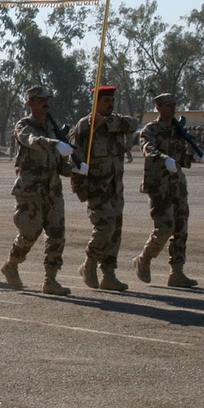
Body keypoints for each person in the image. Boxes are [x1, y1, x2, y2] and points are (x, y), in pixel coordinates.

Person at [0, 86, 88, 295]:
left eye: (46, 99)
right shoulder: (24, 125)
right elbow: (30, 141)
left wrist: (74, 168)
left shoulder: (51, 127)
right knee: (30, 233)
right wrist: (54, 143)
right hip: (30, 190)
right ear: (30, 102)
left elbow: (58, 164)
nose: (45, 103)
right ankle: (11, 264)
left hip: (52, 189)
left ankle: (50, 279)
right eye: (40, 100)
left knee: (57, 234)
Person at [132, 93, 204, 287]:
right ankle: (144, 258)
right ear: (158, 107)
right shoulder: (150, 129)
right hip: (158, 185)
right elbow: (147, 149)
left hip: (177, 184)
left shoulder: (177, 129)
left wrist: (195, 157)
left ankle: (177, 272)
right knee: (165, 227)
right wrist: (163, 158)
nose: (172, 108)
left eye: (174, 105)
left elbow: (180, 157)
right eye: (167, 105)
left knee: (181, 228)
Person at [69, 85, 139, 291]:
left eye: (111, 101)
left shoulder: (116, 122)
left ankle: (109, 274)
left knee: (115, 231)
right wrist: (79, 187)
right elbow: (75, 159)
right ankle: (89, 264)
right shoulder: (84, 126)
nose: (110, 104)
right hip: (96, 187)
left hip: (116, 187)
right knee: (105, 226)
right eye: (105, 101)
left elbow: (134, 124)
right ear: (96, 103)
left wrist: (106, 122)